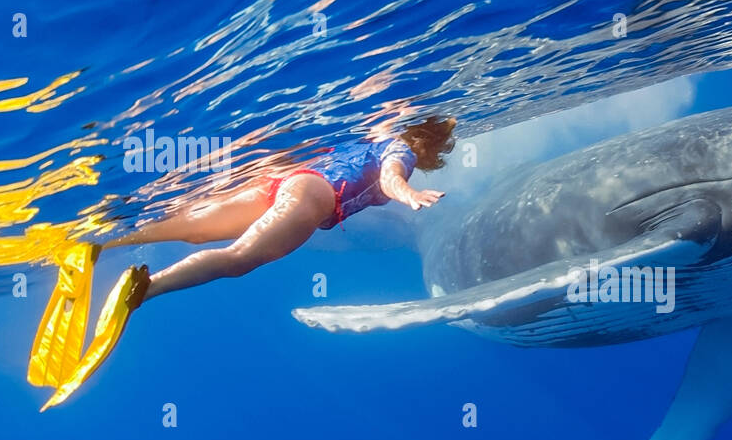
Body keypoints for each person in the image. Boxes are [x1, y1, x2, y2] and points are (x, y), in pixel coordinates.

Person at [28, 116, 456, 409]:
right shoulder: (402, 150)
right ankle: (143, 290)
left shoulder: (371, 133)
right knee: (239, 258)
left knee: (191, 228)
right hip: (313, 195)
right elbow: (390, 178)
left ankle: (101, 243)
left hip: (282, 180)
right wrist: (410, 196)